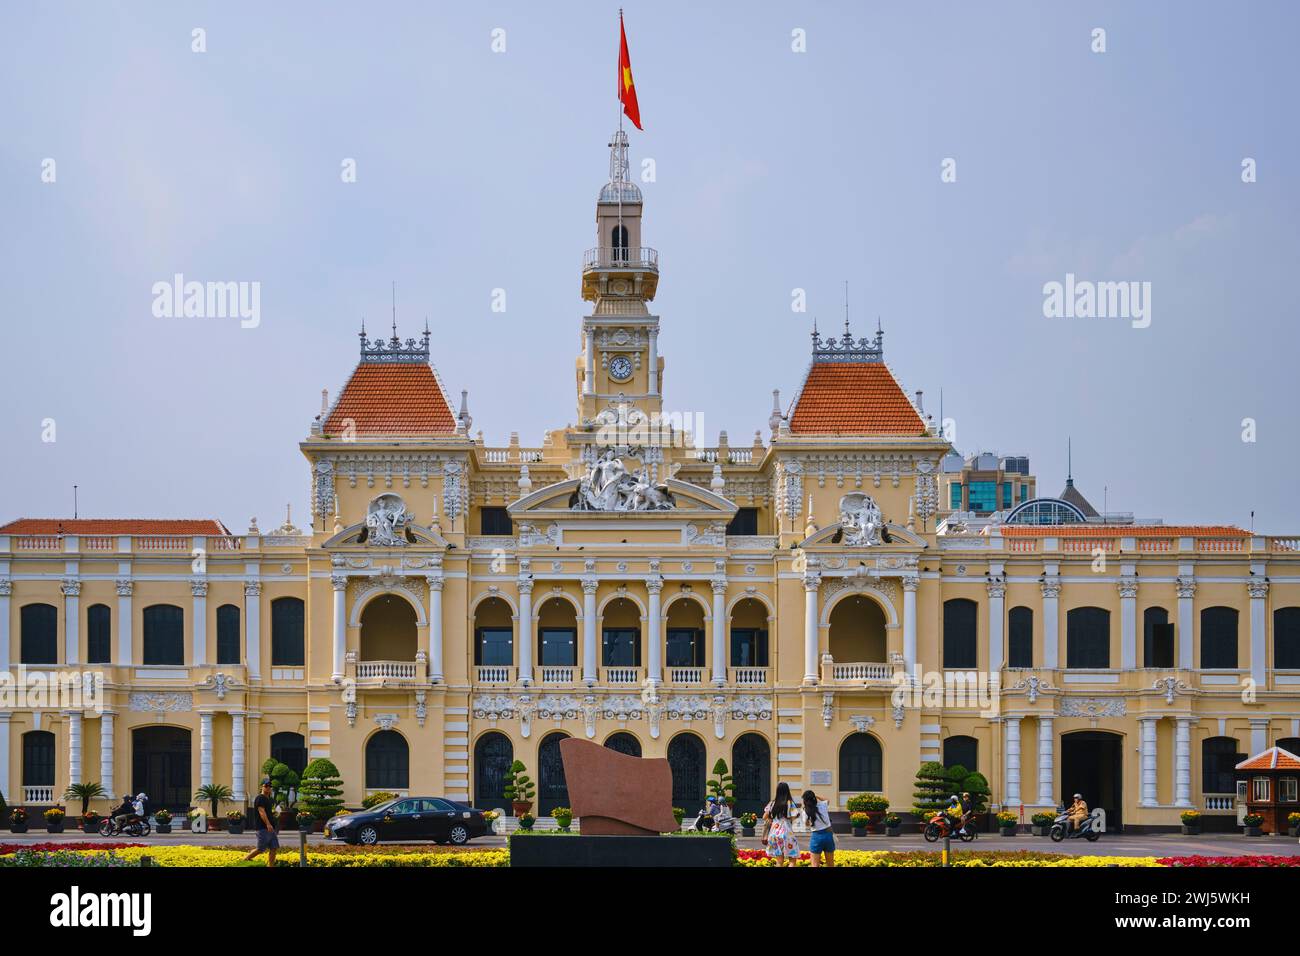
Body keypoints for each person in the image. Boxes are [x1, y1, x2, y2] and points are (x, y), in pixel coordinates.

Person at [242, 779, 279, 867]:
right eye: (266, 786)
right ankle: (246, 859)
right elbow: (261, 812)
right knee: (260, 849)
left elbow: (267, 812)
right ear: (261, 787)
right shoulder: (260, 798)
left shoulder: (268, 799)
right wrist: (268, 824)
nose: (268, 788)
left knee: (274, 847)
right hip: (263, 828)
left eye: (270, 786)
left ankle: (271, 866)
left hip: (270, 828)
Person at [762, 782, 800, 866]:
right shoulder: (790, 803)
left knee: (779, 861)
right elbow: (794, 817)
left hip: (774, 833)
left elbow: (764, 816)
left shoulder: (772, 803)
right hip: (787, 832)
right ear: (787, 791)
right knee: (792, 860)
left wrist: (773, 819)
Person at [802, 790, 835, 868]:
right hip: (828, 835)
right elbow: (827, 799)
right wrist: (816, 796)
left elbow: (806, 825)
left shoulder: (806, 811)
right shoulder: (823, 805)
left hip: (816, 836)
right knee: (830, 864)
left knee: (815, 865)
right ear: (814, 798)